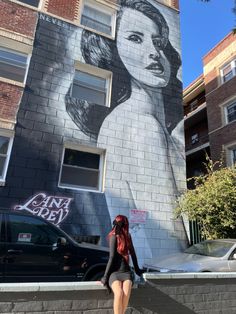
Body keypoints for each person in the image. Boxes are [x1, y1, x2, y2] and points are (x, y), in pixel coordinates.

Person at [101, 215, 143, 314]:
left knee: (126, 293)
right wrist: (105, 276)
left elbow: (132, 253)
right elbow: (111, 257)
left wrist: (137, 270)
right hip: (115, 273)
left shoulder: (128, 236)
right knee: (119, 293)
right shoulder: (113, 236)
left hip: (126, 272)